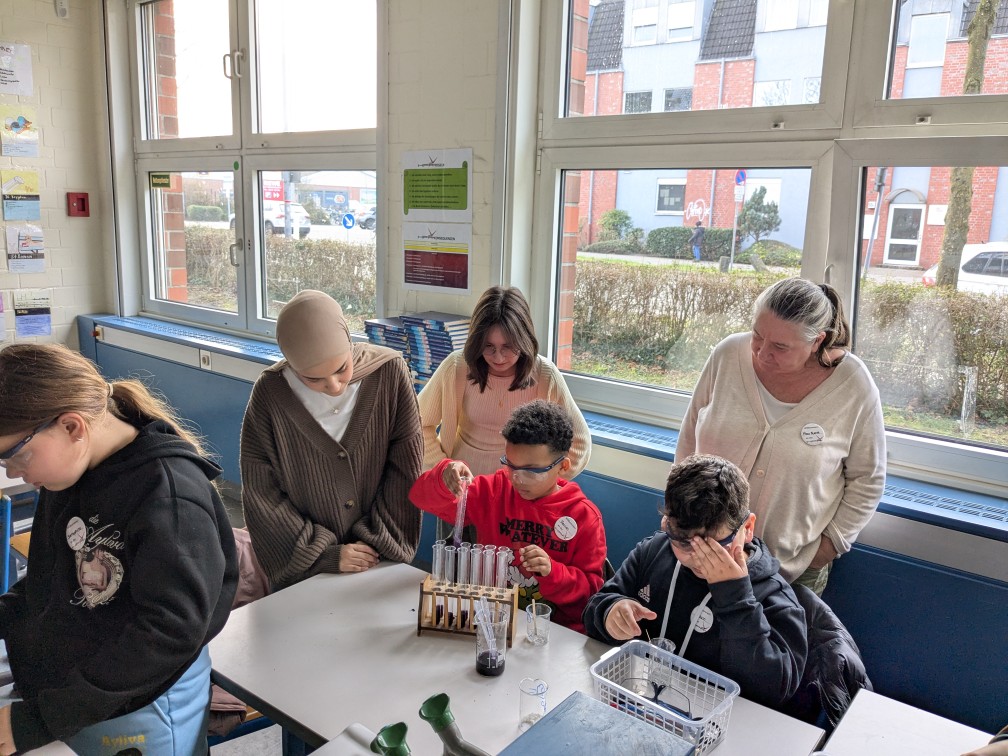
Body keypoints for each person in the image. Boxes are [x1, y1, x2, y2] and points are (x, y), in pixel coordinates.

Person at [0, 343, 238, 755]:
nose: (13, 474)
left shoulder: (168, 494)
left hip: (141, 709)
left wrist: (41, 719)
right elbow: (52, 581)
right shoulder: (68, 473)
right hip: (83, 700)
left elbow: (169, 632)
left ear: (72, 426)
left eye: (14, 456)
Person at [677, 278, 885, 594]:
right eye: (757, 336)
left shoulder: (852, 384)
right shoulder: (727, 355)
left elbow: (868, 478)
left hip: (790, 569)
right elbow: (688, 441)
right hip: (703, 553)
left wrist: (829, 546)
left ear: (817, 341)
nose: (762, 352)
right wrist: (680, 514)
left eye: (780, 346)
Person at [582, 454, 807, 710]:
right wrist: (610, 613)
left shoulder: (774, 596)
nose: (698, 558)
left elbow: (772, 693)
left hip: (718, 722)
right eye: (684, 543)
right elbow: (596, 608)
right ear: (667, 524)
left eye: (714, 547)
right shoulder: (653, 552)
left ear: (747, 528)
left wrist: (735, 599)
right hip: (641, 704)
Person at [241, 290, 423, 590]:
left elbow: (405, 469)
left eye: (341, 369)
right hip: (307, 574)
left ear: (349, 342)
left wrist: (375, 542)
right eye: (313, 379)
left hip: (380, 562)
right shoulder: (270, 395)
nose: (335, 386)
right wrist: (323, 555)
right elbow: (262, 493)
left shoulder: (389, 372)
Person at [409, 400, 606, 632]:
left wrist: (553, 572)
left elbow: (591, 596)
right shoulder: (495, 491)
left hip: (549, 632)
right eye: (511, 465)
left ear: (563, 466)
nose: (517, 479)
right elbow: (420, 498)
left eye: (531, 471)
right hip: (491, 622)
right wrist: (444, 476)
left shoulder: (584, 517)